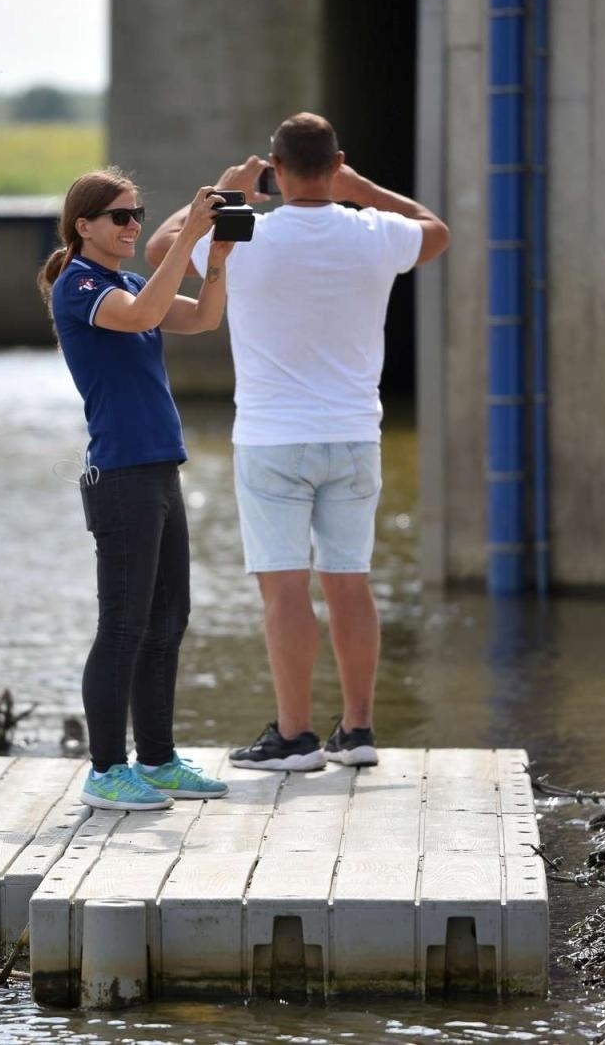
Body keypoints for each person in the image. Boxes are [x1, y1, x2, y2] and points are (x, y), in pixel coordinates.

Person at [145, 112, 450, 771]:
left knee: (284, 591)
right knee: (351, 583)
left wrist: (224, 191)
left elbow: (158, 250)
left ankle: (295, 736)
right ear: (336, 162)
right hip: (353, 436)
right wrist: (360, 188)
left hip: (272, 438)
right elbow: (437, 231)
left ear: (275, 171)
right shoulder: (374, 231)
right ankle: (360, 731)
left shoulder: (242, 229)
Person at [38, 167, 234, 810]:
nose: (131, 226)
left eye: (137, 214)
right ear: (84, 225)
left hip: (159, 469)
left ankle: (156, 760)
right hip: (120, 476)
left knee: (168, 621)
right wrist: (188, 239)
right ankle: (104, 770)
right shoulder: (81, 286)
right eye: (120, 216)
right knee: (122, 626)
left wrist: (218, 257)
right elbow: (146, 313)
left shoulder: (124, 280)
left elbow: (203, 318)